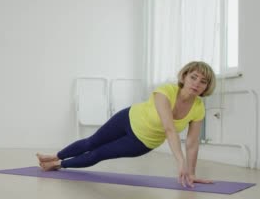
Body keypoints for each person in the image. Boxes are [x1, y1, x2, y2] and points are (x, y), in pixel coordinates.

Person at [37, 61, 216, 188]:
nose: (197, 84)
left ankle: (58, 164)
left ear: (206, 87)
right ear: (184, 76)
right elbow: (169, 128)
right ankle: (54, 155)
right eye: (194, 77)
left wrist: (191, 172)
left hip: (141, 142)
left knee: (98, 153)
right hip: (127, 118)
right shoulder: (166, 90)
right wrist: (180, 162)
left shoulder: (198, 108)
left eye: (203, 81)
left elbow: (192, 143)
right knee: (91, 142)